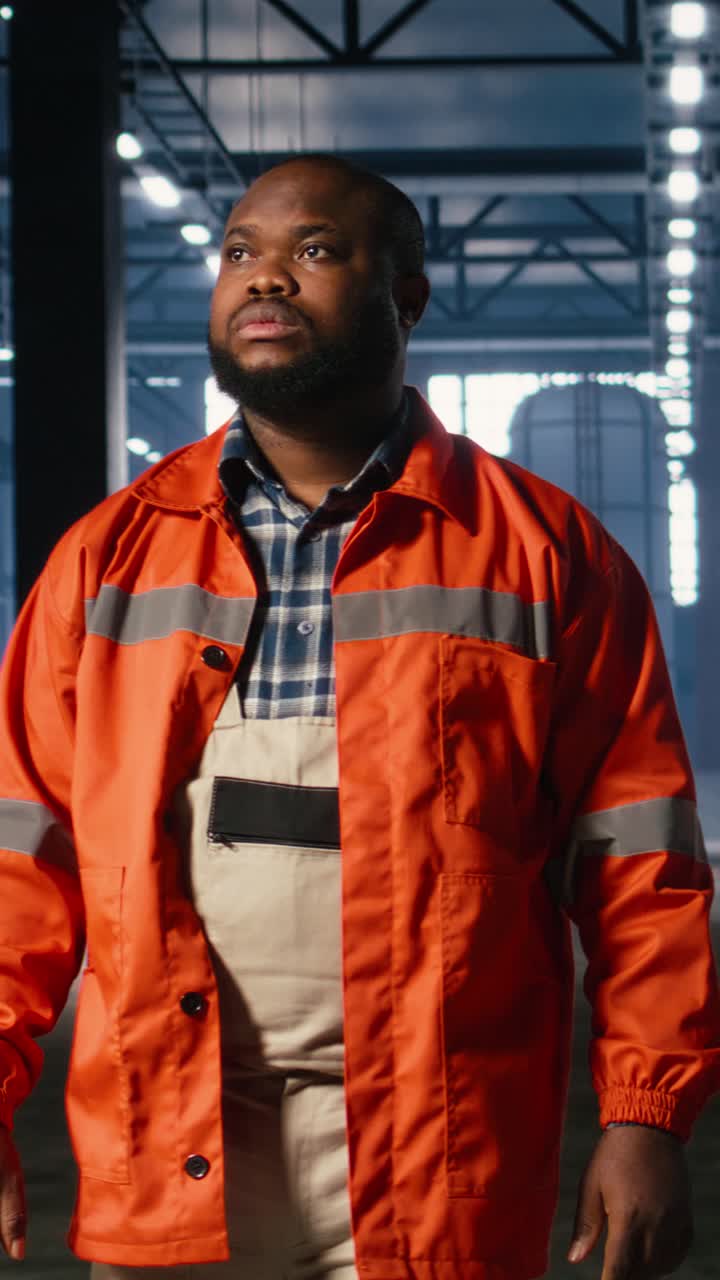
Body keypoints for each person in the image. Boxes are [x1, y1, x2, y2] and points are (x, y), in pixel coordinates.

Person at [0, 153, 718, 1280]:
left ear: (407, 297)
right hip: (167, 1122)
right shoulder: (107, 558)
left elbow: (640, 865)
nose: (264, 277)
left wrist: (645, 1114)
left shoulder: (546, 554)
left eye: (315, 250)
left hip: (435, 1138)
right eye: (240, 252)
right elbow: (21, 857)